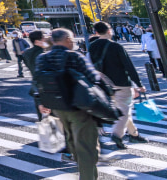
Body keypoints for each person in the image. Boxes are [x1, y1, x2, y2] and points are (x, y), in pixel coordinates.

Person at [35, 29, 103, 180]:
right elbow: (93, 78)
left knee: (73, 141)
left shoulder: (42, 58)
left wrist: (41, 101)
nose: (73, 42)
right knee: (86, 146)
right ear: (66, 39)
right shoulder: (74, 56)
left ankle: (89, 172)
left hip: (58, 107)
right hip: (80, 106)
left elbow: (37, 81)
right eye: (72, 39)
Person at [88, 21, 148, 148]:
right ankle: (117, 134)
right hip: (121, 83)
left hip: (104, 85)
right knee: (124, 111)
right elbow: (129, 66)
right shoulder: (115, 46)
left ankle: (134, 134)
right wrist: (138, 84)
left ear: (96, 32)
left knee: (124, 110)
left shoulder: (92, 47)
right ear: (109, 31)